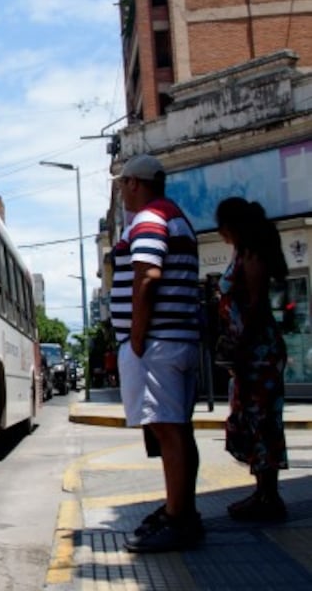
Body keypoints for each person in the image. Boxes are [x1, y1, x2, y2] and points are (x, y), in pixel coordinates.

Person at [109, 153, 203, 553]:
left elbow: (147, 275)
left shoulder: (150, 218)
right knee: (176, 428)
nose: (121, 192)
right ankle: (178, 510)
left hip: (158, 343)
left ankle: (180, 519)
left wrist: (136, 335)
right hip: (173, 339)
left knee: (168, 429)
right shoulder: (175, 216)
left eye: (122, 184)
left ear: (134, 183)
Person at [215, 197, 289, 522]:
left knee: (262, 422)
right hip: (251, 352)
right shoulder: (242, 252)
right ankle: (262, 492)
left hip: (258, 354)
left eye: (222, 226)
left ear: (232, 225)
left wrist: (242, 348)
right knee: (253, 419)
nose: (220, 233)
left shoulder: (252, 254)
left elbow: (257, 307)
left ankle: (269, 497)